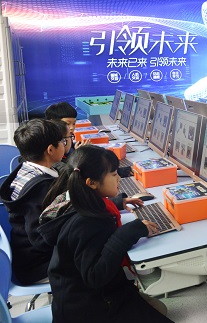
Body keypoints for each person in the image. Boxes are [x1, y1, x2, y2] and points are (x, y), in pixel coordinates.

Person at [45, 146, 172, 323]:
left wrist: (118, 202)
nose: (119, 178)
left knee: (158, 309)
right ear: (91, 183)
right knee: (158, 311)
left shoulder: (77, 201)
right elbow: (95, 276)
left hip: (82, 297)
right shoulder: (86, 223)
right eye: (113, 174)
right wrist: (126, 233)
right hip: (88, 308)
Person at [0, 119, 65, 284]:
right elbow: (40, 238)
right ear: (50, 150)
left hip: (27, 256)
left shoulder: (27, 169)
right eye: (62, 141)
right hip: (37, 266)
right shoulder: (41, 188)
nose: (65, 144)